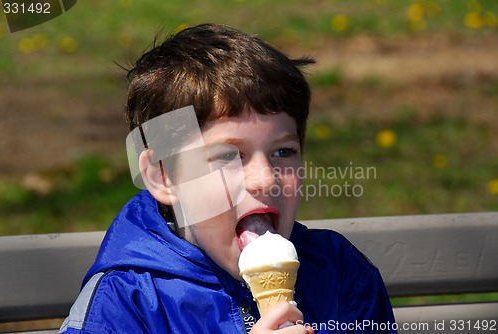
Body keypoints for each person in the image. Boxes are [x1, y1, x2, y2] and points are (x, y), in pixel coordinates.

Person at [59, 23, 397, 334]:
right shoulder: (125, 304)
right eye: (227, 156)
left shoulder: (340, 275)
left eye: (284, 152)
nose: (265, 179)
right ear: (162, 176)